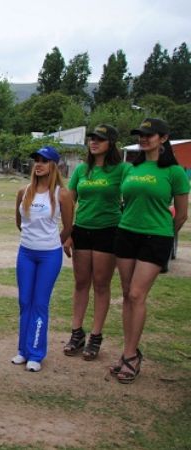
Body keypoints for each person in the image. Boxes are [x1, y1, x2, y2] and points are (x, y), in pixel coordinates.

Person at [111, 118, 188, 384]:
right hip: (126, 233)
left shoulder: (175, 172)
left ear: (163, 138)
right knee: (126, 294)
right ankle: (127, 351)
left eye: (149, 135)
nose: (143, 139)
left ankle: (132, 356)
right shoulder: (131, 168)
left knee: (136, 294)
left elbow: (181, 215)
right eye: (141, 135)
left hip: (156, 238)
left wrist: (164, 235)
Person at [62, 125, 128, 360]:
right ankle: (76, 332)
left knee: (101, 284)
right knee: (81, 283)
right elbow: (69, 202)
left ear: (111, 143)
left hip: (108, 231)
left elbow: (133, 194)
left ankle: (96, 336)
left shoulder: (122, 169)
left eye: (100, 139)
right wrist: (68, 232)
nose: (94, 142)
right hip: (82, 230)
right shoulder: (82, 169)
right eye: (92, 138)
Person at [13, 146, 74, 372]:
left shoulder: (61, 194)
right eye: (36, 160)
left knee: (40, 303)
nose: (38, 164)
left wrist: (52, 242)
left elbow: (68, 227)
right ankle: (23, 350)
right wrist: (32, 239)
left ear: (53, 165)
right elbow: (19, 223)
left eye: (44, 161)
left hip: (49, 255)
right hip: (26, 253)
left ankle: (36, 353)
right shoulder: (24, 192)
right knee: (24, 301)